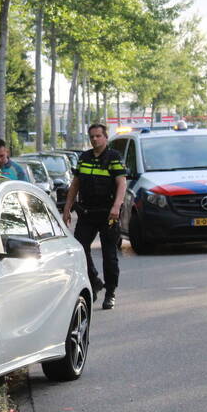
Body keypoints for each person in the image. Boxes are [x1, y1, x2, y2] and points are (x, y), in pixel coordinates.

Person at [62, 123, 126, 310]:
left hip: (108, 214)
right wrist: (67, 208)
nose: (95, 139)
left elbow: (121, 184)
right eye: (92, 137)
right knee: (79, 249)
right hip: (87, 212)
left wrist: (116, 206)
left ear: (105, 137)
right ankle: (94, 281)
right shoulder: (84, 157)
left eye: (98, 136)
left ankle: (110, 292)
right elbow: (75, 184)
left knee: (109, 254)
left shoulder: (114, 157)